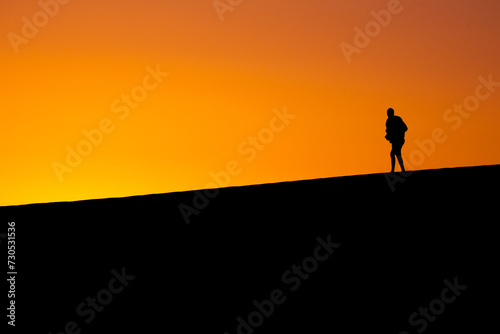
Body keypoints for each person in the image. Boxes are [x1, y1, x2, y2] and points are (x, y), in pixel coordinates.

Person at [385, 108, 407, 173]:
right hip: (396, 140)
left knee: (393, 154)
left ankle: (393, 170)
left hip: (398, 140)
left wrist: (397, 134)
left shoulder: (393, 120)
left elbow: (405, 128)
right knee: (397, 154)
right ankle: (402, 169)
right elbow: (389, 131)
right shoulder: (394, 119)